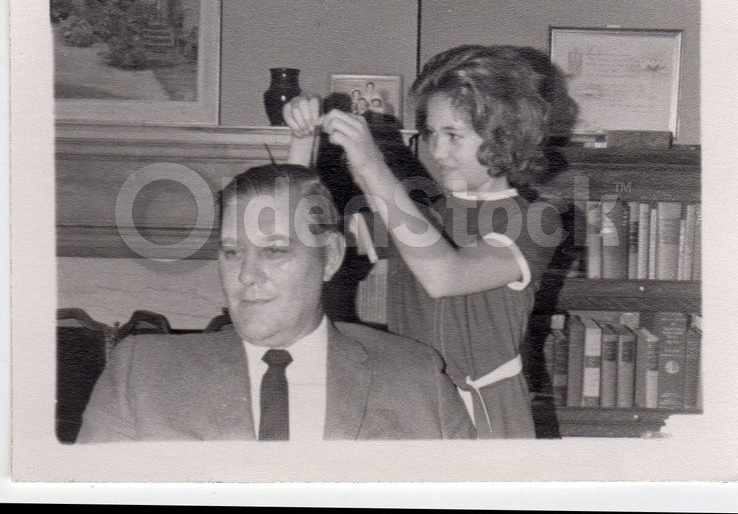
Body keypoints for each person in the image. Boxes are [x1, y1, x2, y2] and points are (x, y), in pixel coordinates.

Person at [283, 45, 574, 438]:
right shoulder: (422, 215)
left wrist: (370, 164)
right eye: (432, 134)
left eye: (454, 136)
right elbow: (296, 233)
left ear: (505, 136)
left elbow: (444, 276)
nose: (437, 152)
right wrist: (302, 142)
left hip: (484, 417)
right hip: (411, 404)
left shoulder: (538, 221)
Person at [77, 164, 474, 442]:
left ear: (331, 257)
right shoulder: (142, 373)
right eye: (232, 253)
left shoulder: (413, 376)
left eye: (274, 251)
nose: (246, 276)